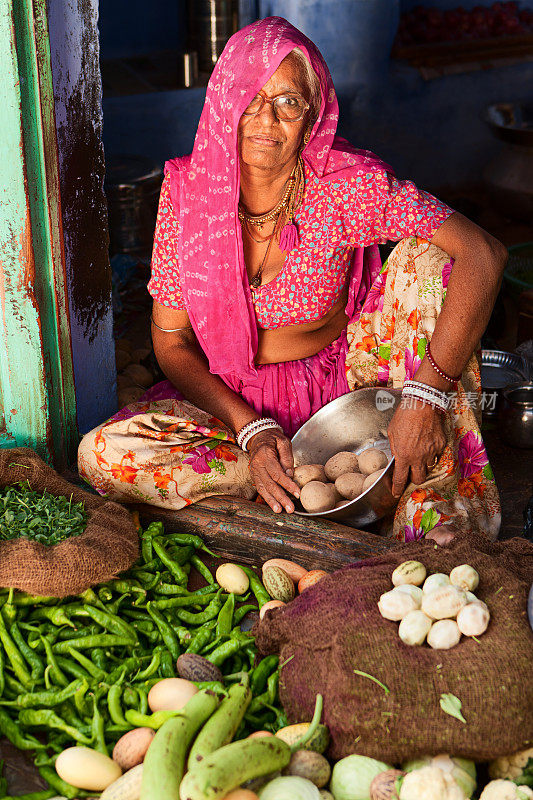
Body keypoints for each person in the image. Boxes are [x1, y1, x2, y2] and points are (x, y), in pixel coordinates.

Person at [79, 17, 505, 543]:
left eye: (288, 103)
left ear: (312, 115)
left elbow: (484, 253)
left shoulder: (347, 186)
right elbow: (171, 341)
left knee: (431, 262)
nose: (265, 120)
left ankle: (416, 473)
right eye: (250, 99)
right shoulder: (187, 195)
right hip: (233, 412)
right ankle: (296, 484)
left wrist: (425, 393)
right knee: (104, 453)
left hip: (346, 399)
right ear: (223, 105)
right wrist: (250, 429)